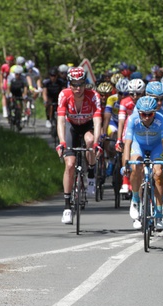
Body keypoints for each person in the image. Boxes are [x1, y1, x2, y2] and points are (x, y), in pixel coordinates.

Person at [55, 67, 103, 224]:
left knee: (89, 141)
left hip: (87, 126)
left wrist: (96, 143)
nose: (77, 88)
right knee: (70, 165)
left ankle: (90, 173)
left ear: (85, 84)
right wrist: (62, 142)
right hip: (72, 127)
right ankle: (67, 207)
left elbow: (97, 122)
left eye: (80, 84)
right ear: (70, 84)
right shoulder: (64, 95)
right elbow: (61, 121)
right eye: (74, 85)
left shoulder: (93, 96)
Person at [123, 96, 163, 230]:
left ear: (155, 112)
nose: (147, 117)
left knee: (159, 173)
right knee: (136, 167)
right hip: (139, 146)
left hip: (156, 147)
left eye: (150, 114)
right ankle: (136, 199)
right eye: (144, 114)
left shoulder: (162, 120)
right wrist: (126, 163)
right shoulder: (132, 119)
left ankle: (159, 214)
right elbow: (128, 143)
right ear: (139, 112)